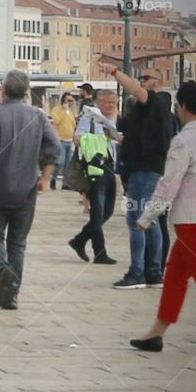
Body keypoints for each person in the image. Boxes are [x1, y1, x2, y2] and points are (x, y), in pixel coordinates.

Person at [129, 80, 196, 352]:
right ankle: (155, 333)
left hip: (192, 220)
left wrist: (146, 216)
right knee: (174, 275)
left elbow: (169, 184)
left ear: (182, 106)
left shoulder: (183, 140)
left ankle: (156, 333)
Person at [0, 70, 62, 310]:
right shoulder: (37, 116)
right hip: (26, 187)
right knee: (18, 242)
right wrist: (45, 177)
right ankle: (12, 292)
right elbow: (55, 148)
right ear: (26, 92)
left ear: (3, 90)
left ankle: (1, 269)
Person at [100, 63, 174, 289]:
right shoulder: (147, 110)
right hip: (144, 168)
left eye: (147, 78)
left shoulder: (157, 101)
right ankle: (153, 273)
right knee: (148, 221)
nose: (141, 81)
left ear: (158, 81)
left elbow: (135, 90)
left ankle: (137, 272)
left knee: (136, 221)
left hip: (145, 171)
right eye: (140, 77)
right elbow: (139, 138)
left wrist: (114, 72)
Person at [68, 91, 120, 265]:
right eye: (107, 102)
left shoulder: (113, 120)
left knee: (108, 210)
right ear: (99, 102)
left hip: (110, 167)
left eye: (114, 103)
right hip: (95, 168)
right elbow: (76, 139)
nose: (111, 106)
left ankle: (80, 239)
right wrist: (98, 139)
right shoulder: (89, 118)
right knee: (97, 213)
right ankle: (100, 252)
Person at [49, 92, 77, 189]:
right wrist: (63, 111)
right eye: (68, 100)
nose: (70, 103)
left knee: (68, 163)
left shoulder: (71, 112)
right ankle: (53, 179)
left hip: (70, 140)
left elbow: (73, 124)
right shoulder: (56, 110)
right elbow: (56, 121)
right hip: (60, 139)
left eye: (71, 101)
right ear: (63, 100)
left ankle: (65, 183)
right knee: (60, 162)